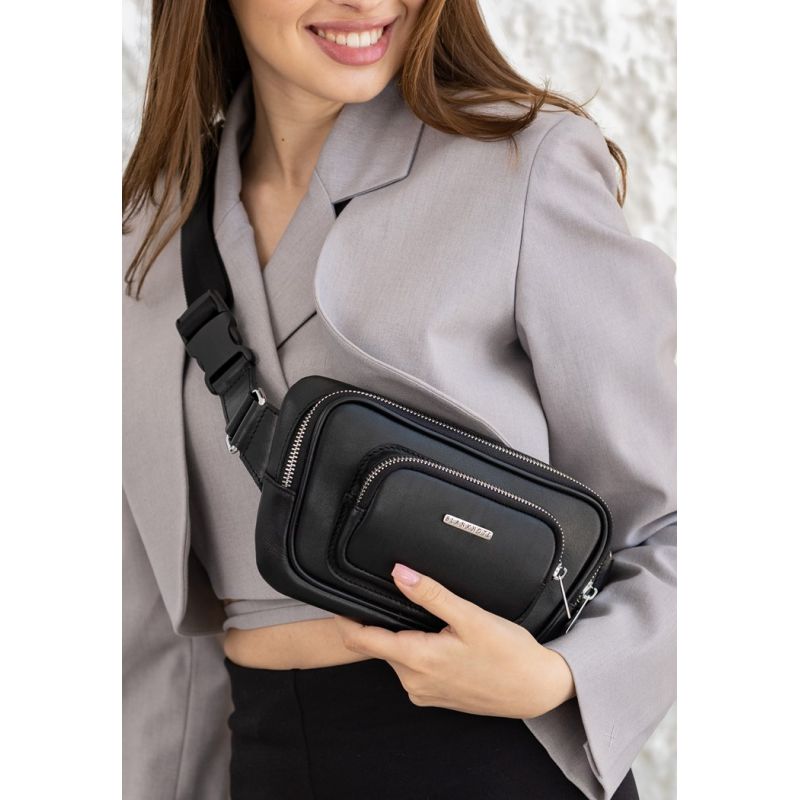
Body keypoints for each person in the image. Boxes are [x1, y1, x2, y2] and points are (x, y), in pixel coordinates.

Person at [122, 1, 676, 798]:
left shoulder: (520, 164)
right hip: (264, 762)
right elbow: (154, 622)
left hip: (496, 763)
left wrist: (560, 676)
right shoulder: (152, 233)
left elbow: (674, 522)